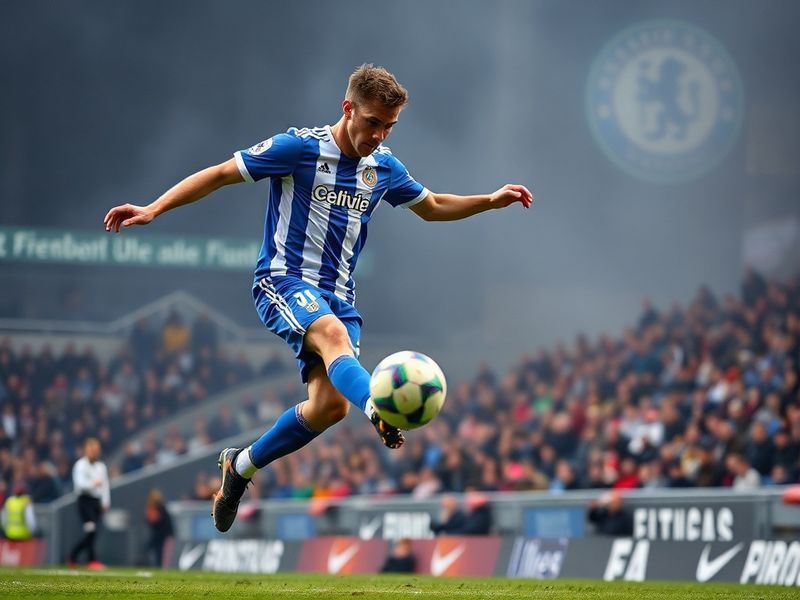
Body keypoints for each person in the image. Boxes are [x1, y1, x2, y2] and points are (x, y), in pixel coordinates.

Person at [103, 64, 533, 533]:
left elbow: (431, 207)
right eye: (373, 122)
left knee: (330, 407)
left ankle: (240, 467)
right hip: (283, 280)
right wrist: (154, 208)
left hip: (340, 297)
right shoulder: (298, 148)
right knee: (331, 341)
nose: (379, 135)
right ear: (348, 109)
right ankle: (380, 410)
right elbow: (222, 174)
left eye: (389, 126)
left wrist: (489, 201)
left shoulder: (383, 167)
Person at [67, 438, 110, 569]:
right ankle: (90, 559)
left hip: (96, 502)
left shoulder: (101, 467)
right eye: (91, 449)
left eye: (96, 449)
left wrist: (105, 501)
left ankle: (75, 557)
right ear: (86, 450)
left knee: (93, 532)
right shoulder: (80, 465)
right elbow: (80, 485)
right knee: (91, 530)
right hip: (85, 501)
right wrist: (93, 484)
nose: (94, 452)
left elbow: (105, 485)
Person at [144, 489, 174, 568]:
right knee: (158, 554)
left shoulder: (161, 508)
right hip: (158, 536)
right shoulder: (154, 508)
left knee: (164, 555)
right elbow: (151, 520)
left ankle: (163, 568)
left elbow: (158, 521)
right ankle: (159, 567)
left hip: (165, 536)